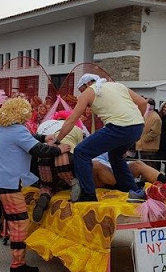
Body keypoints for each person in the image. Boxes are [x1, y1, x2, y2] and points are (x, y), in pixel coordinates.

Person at [0, 98, 70, 272]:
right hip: (9, 184)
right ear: (21, 113)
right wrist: (60, 149)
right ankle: (17, 264)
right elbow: (38, 150)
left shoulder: (2, 128)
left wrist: (44, 137)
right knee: (19, 222)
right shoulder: (17, 130)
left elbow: (28, 138)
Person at [54, 74, 147, 202]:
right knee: (116, 156)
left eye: (81, 90)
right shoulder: (118, 85)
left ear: (86, 85)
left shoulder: (89, 92)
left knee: (81, 152)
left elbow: (71, 119)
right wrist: (137, 120)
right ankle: (132, 191)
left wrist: (58, 140)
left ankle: (88, 194)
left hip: (118, 127)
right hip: (137, 127)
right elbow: (142, 102)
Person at [136, 98, 162, 170]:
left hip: (150, 148)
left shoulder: (156, 117)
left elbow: (155, 132)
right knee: (143, 167)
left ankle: (150, 180)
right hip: (142, 147)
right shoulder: (145, 115)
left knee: (150, 168)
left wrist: (143, 139)